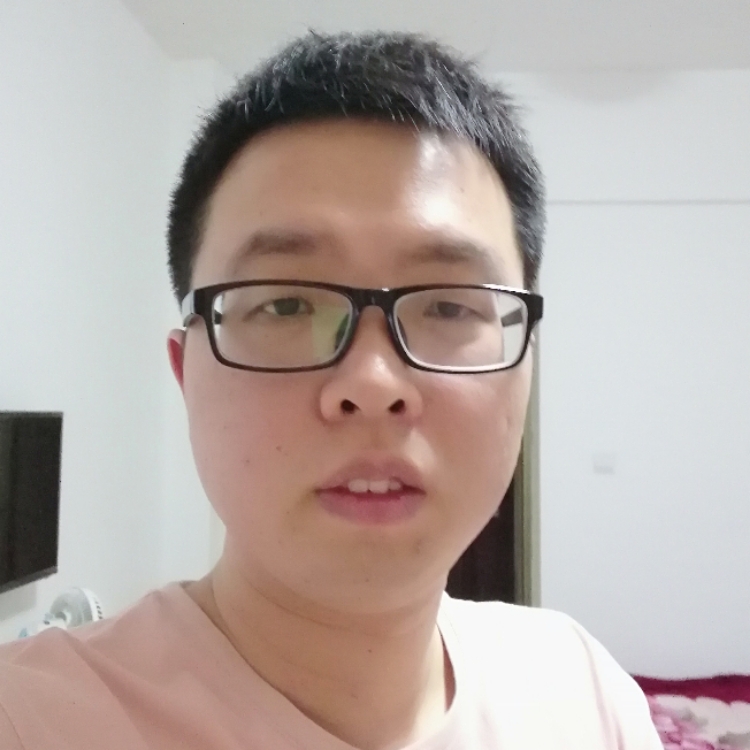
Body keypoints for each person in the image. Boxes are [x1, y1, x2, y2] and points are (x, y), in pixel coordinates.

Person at [0, 30, 663, 750]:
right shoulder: (32, 720)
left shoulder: (586, 697)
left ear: (524, 371)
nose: (373, 384)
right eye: (286, 305)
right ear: (187, 374)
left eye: (448, 306)